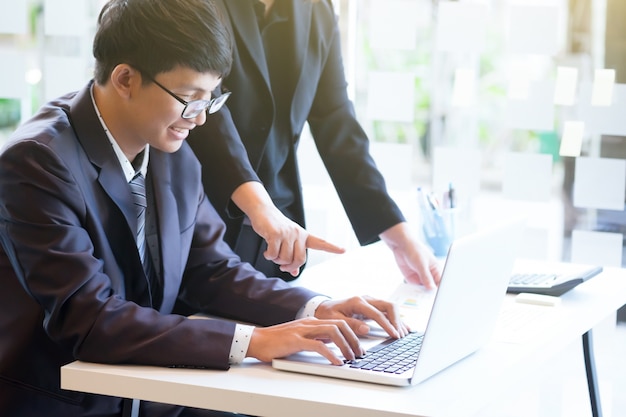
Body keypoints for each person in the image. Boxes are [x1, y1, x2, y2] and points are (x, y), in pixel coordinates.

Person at [0, 1, 409, 416]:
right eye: (190, 99)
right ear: (125, 78)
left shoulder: (169, 145)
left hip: (149, 391)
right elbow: (89, 320)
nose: (199, 119)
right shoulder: (37, 162)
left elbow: (213, 269)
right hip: (65, 401)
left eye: (210, 101)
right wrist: (257, 341)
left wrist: (315, 307)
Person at [188, 0, 442, 286]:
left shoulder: (316, 10)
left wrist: (399, 235)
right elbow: (209, 112)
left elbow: (337, 122)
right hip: (206, 224)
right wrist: (261, 208)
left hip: (279, 238)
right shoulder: (202, 6)